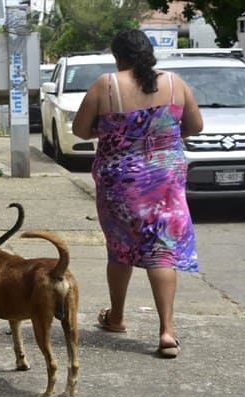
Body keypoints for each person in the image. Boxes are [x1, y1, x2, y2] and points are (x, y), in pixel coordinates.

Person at [72, 29, 203, 358]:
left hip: (122, 183)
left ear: (118, 57)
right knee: (162, 251)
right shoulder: (175, 83)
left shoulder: (108, 85)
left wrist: (111, 133)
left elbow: (79, 130)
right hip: (165, 181)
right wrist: (163, 136)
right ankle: (167, 332)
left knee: (120, 248)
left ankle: (116, 317)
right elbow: (195, 125)